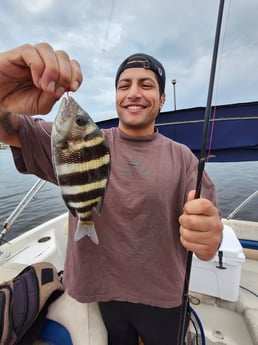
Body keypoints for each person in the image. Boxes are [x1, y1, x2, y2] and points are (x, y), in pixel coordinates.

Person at [0, 43, 223, 345]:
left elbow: (208, 239)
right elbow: (9, 126)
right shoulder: (81, 140)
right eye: (124, 85)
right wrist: (3, 90)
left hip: (163, 294)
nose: (133, 93)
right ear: (116, 96)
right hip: (101, 290)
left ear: (162, 98)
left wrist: (210, 238)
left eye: (146, 85)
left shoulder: (184, 159)